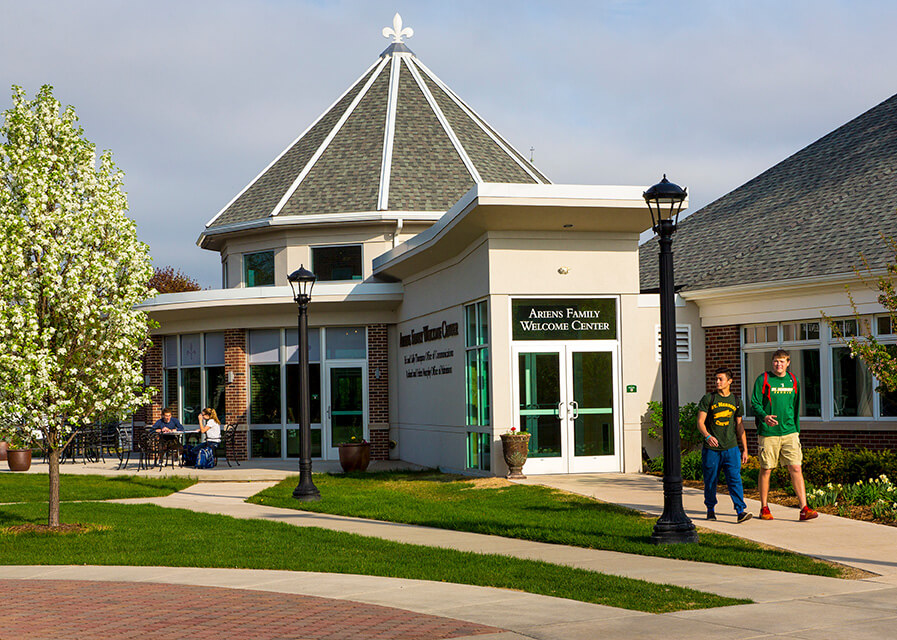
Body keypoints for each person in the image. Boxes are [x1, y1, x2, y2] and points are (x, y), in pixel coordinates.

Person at [751, 349, 818, 521]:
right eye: (775, 361)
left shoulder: (793, 380)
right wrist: (764, 417)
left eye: (782, 361)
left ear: (788, 363)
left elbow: (795, 407)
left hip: (790, 432)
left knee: (795, 467)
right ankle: (764, 507)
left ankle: (804, 508)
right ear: (772, 362)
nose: (778, 364)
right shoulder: (763, 379)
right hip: (768, 433)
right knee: (766, 469)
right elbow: (755, 403)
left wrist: (796, 429)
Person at [697, 367, 752, 523]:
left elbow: (740, 426)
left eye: (720, 379)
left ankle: (740, 511)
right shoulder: (709, 399)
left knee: (735, 479)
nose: (717, 382)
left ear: (729, 381)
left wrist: (745, 449)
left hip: (731, 448)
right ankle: (710, 509)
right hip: (712, 450)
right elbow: (700, 422)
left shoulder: (736, 401)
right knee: (710, 480)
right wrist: (707, 436)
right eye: (716, 379)